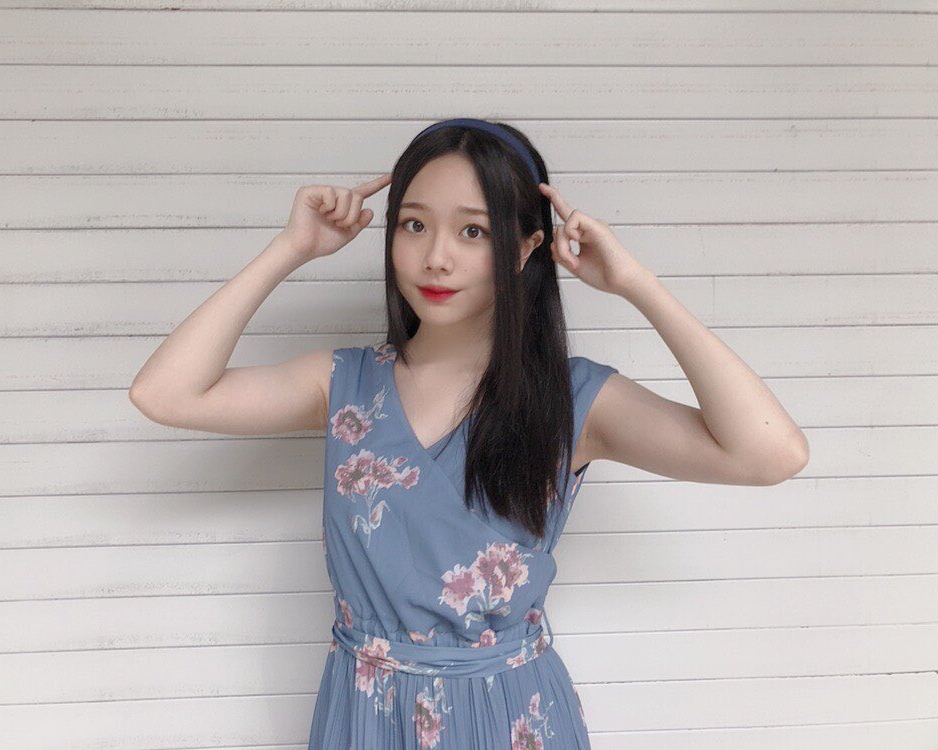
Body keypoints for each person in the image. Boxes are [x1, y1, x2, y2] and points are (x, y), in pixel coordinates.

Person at [128, 118, 809, 748]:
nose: (436, 258)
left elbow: (771, 454)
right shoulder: (344, 387)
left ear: (527, 248)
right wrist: (291, 248)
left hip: (508, 718)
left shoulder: (573, 402)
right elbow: (164, 393)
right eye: (414, 225)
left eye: (473, 232)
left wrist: (637, 284)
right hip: (366, 717)